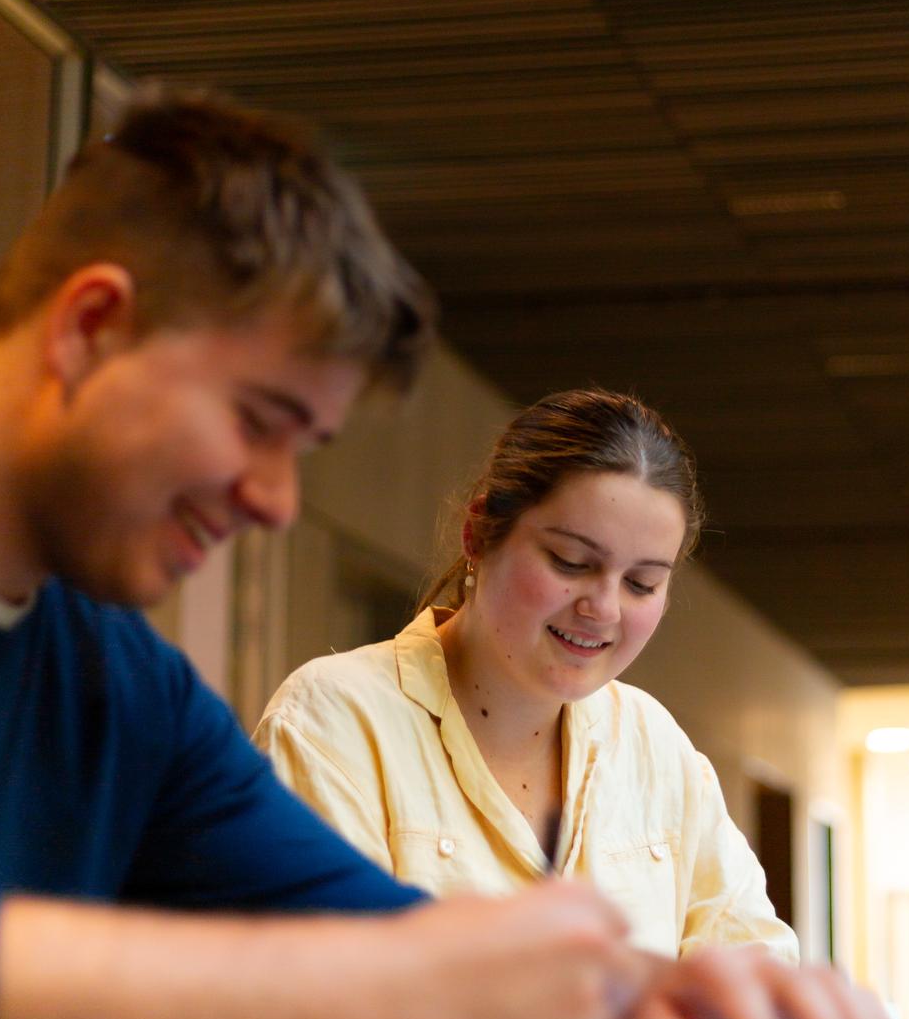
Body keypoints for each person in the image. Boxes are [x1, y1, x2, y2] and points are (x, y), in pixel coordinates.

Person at [0, 91, 892, 1019]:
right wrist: (386, 993)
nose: (274, 500)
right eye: (258, 421)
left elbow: (385, 939)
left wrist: (646, 998)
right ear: (91, 328)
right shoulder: (286, 706)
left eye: (303, 450)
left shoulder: (126, 689)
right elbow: (383, 982)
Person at [256, 390, 794, 961]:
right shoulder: (335, 721)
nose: (604, 608)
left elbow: (757, 963)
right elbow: (319, 994)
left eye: (642, 583)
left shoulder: (653, 746)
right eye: (571, 562)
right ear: (479, 535)